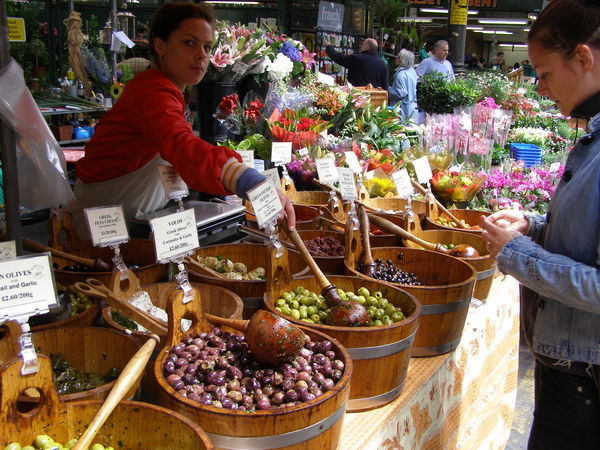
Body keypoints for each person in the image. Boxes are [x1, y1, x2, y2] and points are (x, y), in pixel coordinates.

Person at [480, 1, 600, 448]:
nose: (541, 89)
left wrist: (517, 253)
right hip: (572, 367)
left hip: (586, 378)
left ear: (584, 58)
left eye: (545, 73)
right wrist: (534, 225)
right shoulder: (592, 134)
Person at [73, 2, 295, 230]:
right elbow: (182, 146)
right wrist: (248, 179)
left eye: (207, 47)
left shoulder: (176, 91)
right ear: (160, 46)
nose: (201, 55)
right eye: (189, 43)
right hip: (103, 221)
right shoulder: (151, 91)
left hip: (129, 213)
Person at [388, 49, 418, 123]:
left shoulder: (401, 74)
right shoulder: (412, 71)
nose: (396, 58)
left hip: (403, 108)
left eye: (398, 57)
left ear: (401, 59)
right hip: (413, 106)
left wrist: (388, 89)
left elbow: (401, 93)